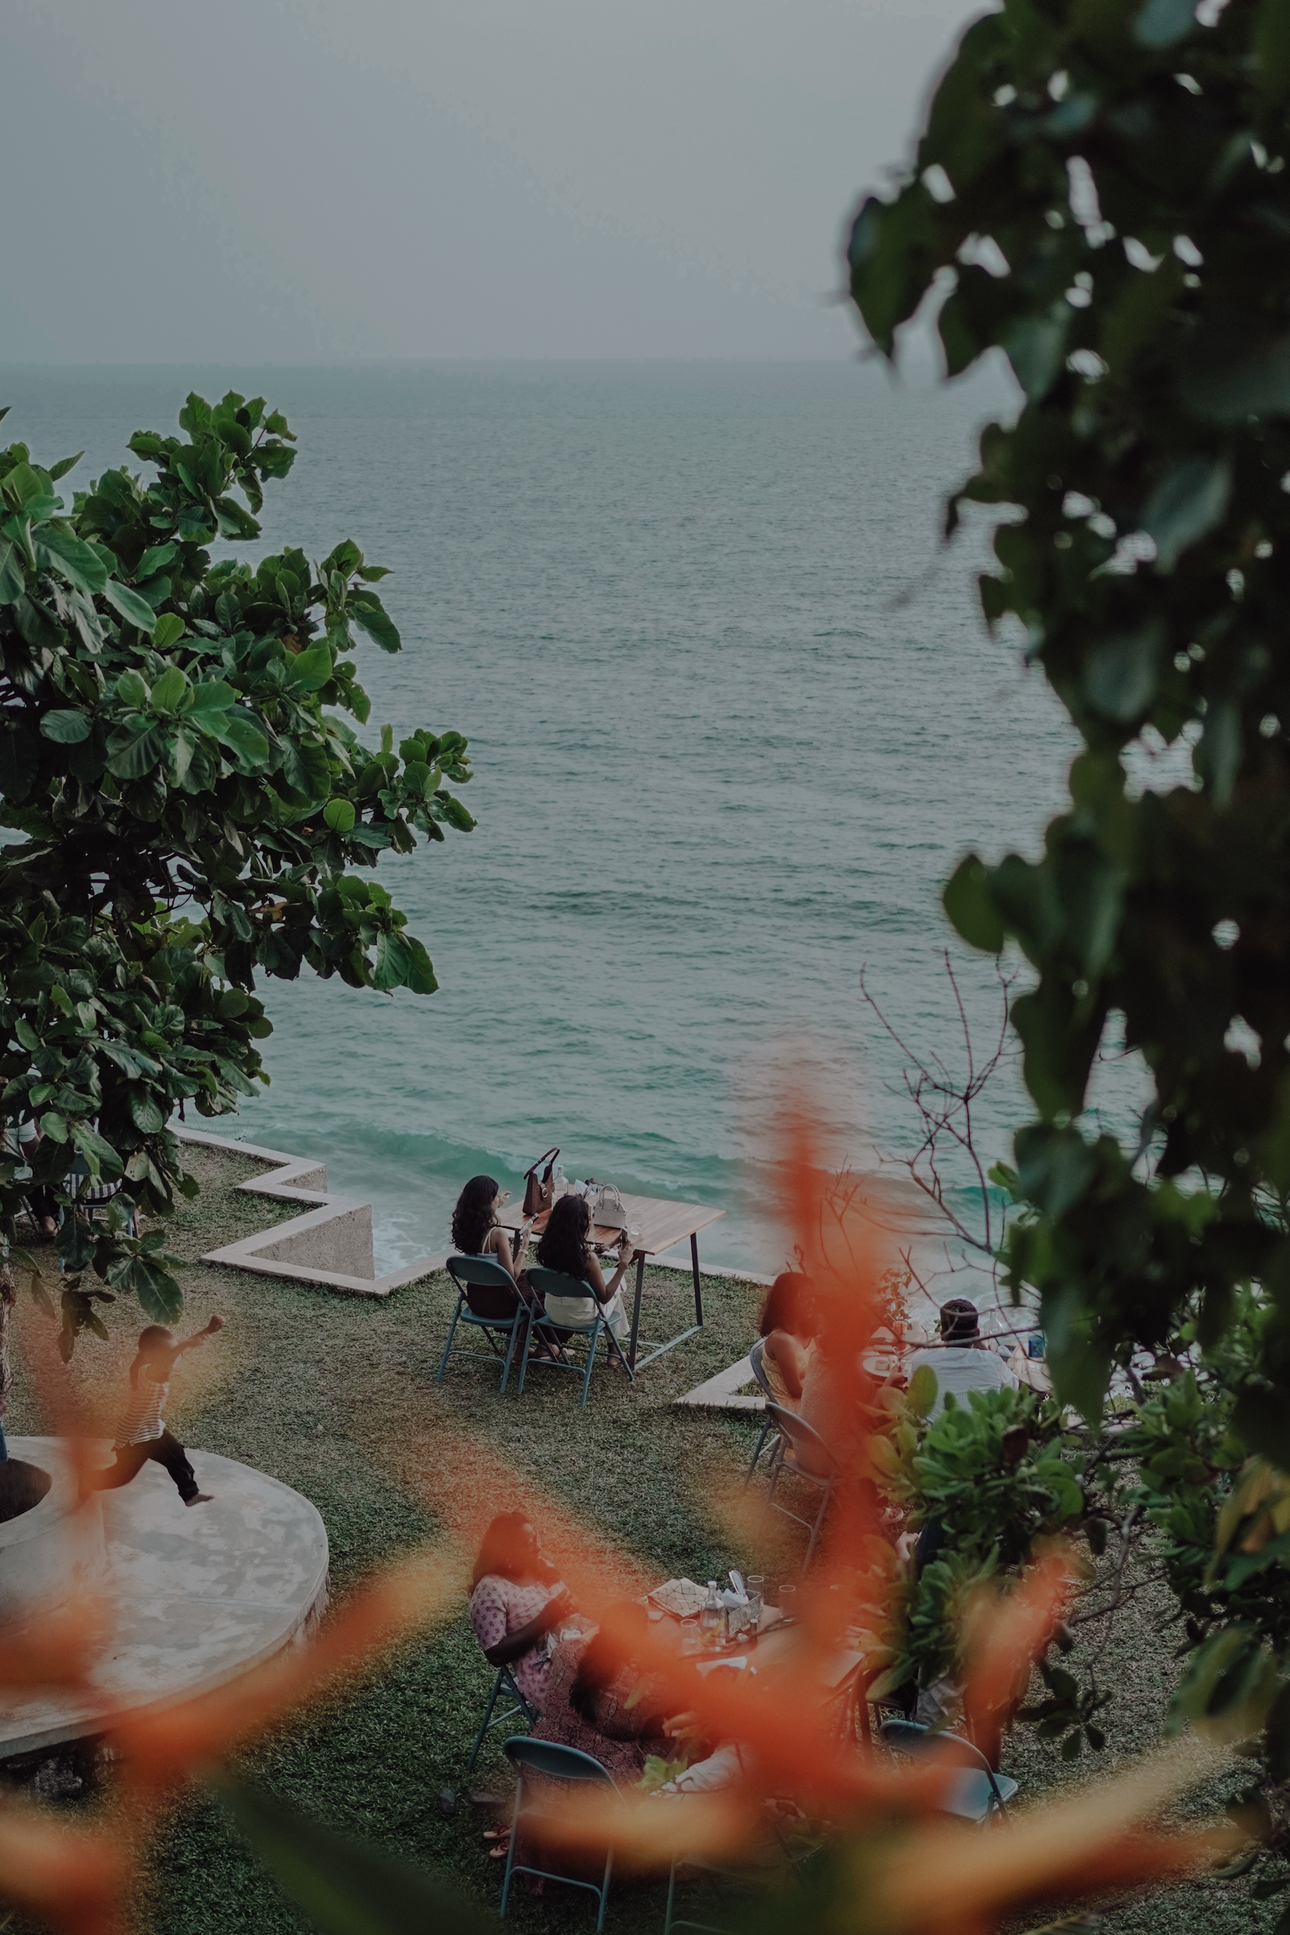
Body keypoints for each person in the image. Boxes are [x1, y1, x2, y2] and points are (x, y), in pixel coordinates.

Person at [93, 1316, 225, 1506]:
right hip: (136, 1436)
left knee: (177, 1455)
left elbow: (181, 1351)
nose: (172, 1363)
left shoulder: (164, 1364)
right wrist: (180, 1347)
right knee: (122, 1476)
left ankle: (190, 1494)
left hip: (151, 1428)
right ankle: (89, 1480)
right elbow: (171, 1356)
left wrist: (208, 1330)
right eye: (168, 1356)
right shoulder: (144, 1372)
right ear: (149, 1356)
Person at [468, 1513, 573, 1714]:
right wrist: (545, 1619)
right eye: (527, 1544)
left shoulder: (543, 1567)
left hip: (576, 1648)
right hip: (545, 1671)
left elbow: (569, 1608)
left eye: (535, 1538)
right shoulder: (491, 1589)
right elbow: (495, 1654)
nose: (537, 1547)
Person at [534, 1194, 638, 1359]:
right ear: (581, 1224)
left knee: (610, 1282)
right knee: (615, 1288)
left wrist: (605, 1247)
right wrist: (623, 1264)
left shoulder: (546, 1248)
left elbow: (571, 1262)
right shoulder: (588, 1258)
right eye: (589, 1217)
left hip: (553, 1313)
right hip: (582, 1317)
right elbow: (604, 1297)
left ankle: (614, 1353)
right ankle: (614, 1353)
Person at [904, 1297, 1018, 1417]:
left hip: (935, 1429)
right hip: (978, 1428)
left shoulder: (921, 1360)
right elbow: (1014, 1389)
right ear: (977, 1334)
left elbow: (912, 1390)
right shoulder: (994, 1363)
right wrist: (983, 1348)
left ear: (942, 1334)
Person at [756, 1272, 817, 1411]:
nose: (811, 1302)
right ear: (787, 1302)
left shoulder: (806, 1328)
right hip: (794, 1408)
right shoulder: (782, 1340)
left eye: (812, 1296)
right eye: (805, 1298)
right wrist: (827, 1392)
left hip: (811, 1397)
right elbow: (795, 1391)